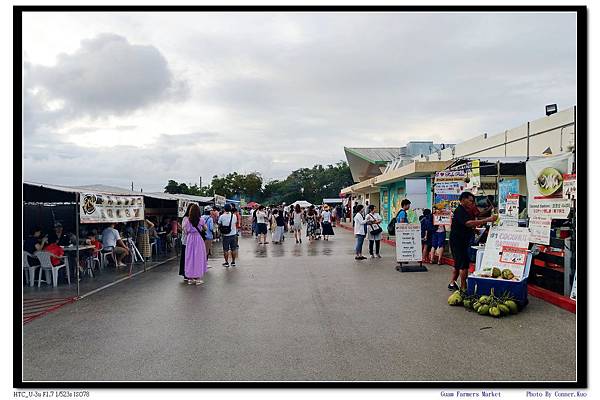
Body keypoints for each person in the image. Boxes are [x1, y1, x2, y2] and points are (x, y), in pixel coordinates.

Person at [448, 192, 497, 291]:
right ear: (463, 200)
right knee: (463, 264)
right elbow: (468, 223)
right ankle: (463, 288)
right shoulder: (460, 210)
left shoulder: (466, 211)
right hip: (458, 241)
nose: (472, 203)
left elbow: (464, 225)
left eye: (473, 201)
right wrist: (487, 219)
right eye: (470, 200)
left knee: (458, 263)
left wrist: (474, 230)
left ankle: (452, 283)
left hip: (462, 239)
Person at [183, 203, 208, 285]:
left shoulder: (187, 221)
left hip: (190, 240)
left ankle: (190, 278)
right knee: (198, 258)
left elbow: (185, 231)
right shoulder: (201, 220)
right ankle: (197, 278)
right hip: (198, 239)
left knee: (190, 258)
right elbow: (205, 228)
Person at [179, 204, 194, 281]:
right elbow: (185, 230)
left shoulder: (195, 218)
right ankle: (185, 273)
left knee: (190, 258)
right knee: (185, 258)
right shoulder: (185, 218)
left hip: (192, 242)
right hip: (186, 241)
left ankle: (190, 273)